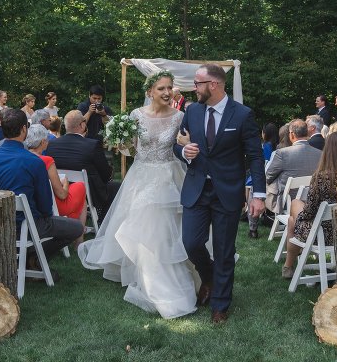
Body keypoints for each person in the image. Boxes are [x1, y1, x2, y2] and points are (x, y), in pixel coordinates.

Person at [79, 71, 197, 319]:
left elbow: (182, 146)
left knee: (166, 228)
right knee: (139, 226)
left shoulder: (181, 117)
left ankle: (166, 274)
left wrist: (186, 144)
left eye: (169, 88)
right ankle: (145, 271)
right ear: (149, 92)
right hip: (141, 175)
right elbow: (131, 147)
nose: (167, 93)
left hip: (168, 175)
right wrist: (121, 141)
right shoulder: (135, 115)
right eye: (161, 88)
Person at [174, 63, 266, 324]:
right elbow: (176, 144)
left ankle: (220, 305)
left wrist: (258, 194)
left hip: (227, 192)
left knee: (224, 250)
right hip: (196, 190)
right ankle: (210, 276)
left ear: (213, 84)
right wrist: (184, 152)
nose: (194, 88)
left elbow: (255, 157)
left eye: (197, 83)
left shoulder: (242, 114)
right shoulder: (191, 112)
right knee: (191, 242)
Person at [0, 109, 83, 274]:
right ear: (23, 130)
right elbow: (45, 206)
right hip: (26, 226)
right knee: (77, 227)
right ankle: (34, 257)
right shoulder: (34, 162)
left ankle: (30, 257)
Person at [282, 132, 337, 278]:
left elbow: (309, 212)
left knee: (293, 214)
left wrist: (298, 218)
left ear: (327, 149)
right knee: (295, 214)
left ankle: (288, 267)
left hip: (321, 234)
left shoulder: (321, 177)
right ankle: (288, 266)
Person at [46, 110, 119, 220]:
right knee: (115, 187)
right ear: (82, 124)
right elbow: (105, 174)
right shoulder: (92, 145)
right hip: (89, 193)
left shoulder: (51, 144)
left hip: (60, 190)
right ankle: (103, 221)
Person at [25, 124, 87, 244]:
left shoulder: (23, 157)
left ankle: (76, 236)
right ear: (43, 142)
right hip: (52, 205)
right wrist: (66, 182)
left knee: (79, 199)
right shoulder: (47, 160)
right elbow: (62, 195)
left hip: (34, 202)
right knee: (80, 186)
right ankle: (78, 238)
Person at [264, 119, 322, 216]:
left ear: (291, 134)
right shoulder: (320, 154)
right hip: (312, 202)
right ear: (307, 133)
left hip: (288, 203)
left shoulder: (282, 153)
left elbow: (268, 177)